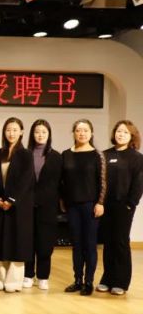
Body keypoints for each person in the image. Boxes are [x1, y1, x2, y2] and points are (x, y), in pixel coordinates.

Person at [0, 117, 34, 293]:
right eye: (8, 130)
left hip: (19, 206)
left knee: (17, 241)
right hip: (0, 204)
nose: (11, 133)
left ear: (21, 132)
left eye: (15, 130)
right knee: (0, 240)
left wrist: (12, 200)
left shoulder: (26, 154)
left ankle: (13, 281)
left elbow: (25, 180)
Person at [61, 119, 106, 296]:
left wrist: (100, 202)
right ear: (73, 133)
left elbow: (103, 181)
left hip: (91, 205)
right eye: (78, 130)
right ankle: (78, 280)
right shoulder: (66, 154)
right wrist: (62, 200)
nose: (82, 133)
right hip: (72, 205)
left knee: (90, 244)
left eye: (85, 130)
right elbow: (62, 181)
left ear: (91, 133)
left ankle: (89, 282)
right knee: (76, 244)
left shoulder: (97, 155)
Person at [98, 120, 143, 295]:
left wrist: (131, 204)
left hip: (124, 206)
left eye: (125, 132)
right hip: (105, 206)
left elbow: (138, 183)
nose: (121, 134)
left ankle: (121, 282)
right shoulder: (104, 155)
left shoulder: (137, 158)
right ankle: (107, 278)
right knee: (108, 242)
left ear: (132, 136)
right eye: (118, 131)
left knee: (121, 241)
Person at [23, 120, 62, 291]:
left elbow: (60, 183)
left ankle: (43, 276)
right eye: (37, 132)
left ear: (49, 135)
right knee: (28, 241)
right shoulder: (24, 154)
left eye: (44, 132)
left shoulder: (56, 156)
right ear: (32, 134)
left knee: (45, 242)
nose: (40, 135)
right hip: (27, 204)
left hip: (48, 206)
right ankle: (28, 274)